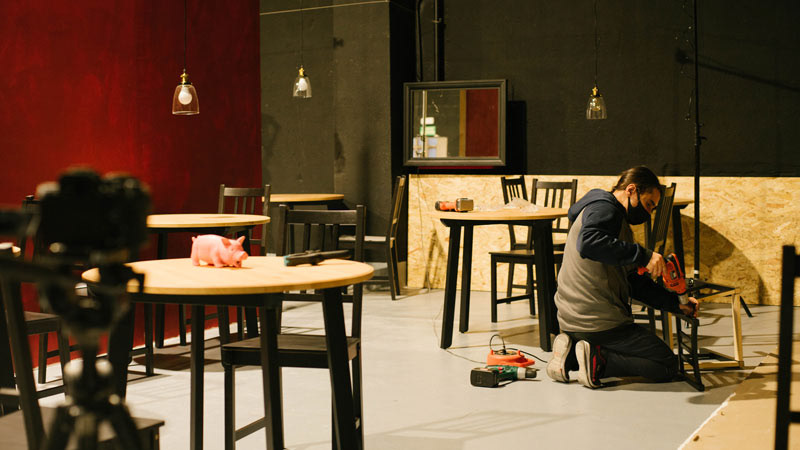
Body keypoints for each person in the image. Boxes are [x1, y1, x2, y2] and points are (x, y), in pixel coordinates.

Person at [546, 166, 698, 388]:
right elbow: (589, 243)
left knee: (639, 351)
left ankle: (570, 357)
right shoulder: (606, 209)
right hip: (599, 323)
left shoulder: (598, 212)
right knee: (666, 364)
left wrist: (675, 303)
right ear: (631, 190)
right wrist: (644, 255)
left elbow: (634, 282)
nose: (648, 213)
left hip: (569, 320)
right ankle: (598, 361)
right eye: (648, 204)